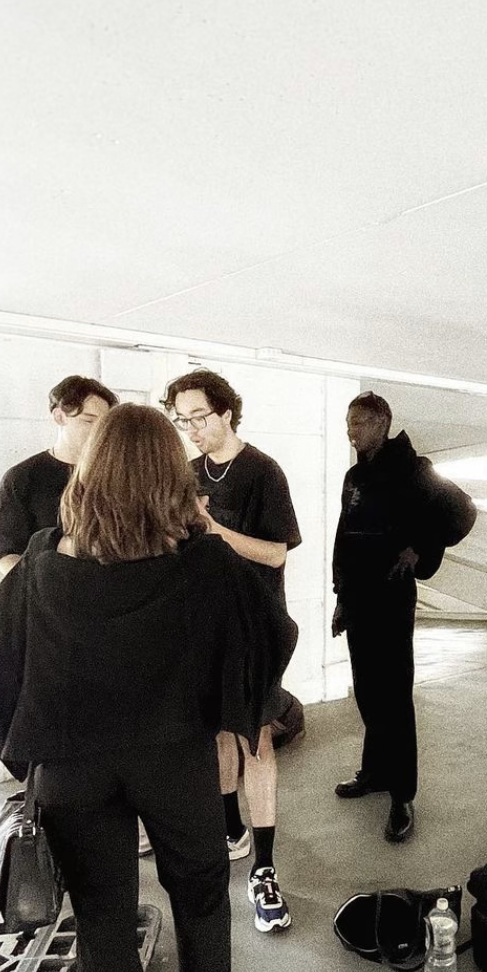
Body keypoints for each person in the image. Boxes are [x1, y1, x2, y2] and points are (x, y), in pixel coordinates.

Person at [0, 405, 296, 972]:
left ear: (90, 472)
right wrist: (228, 709)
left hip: (72, 770)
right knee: (200, 900)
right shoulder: (203, 562)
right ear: (171, 479)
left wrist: (27, 756)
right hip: (174, 761)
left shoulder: (43, 560)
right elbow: (272, 633)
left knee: (102, 922)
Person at [162, 369, 302, 934]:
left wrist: (212, 527)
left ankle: (264, 868)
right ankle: (230, 830)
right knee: (219, 733)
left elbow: (275, 554)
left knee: (256, 738)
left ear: (226, 412)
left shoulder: (263, 472)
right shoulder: (187, 473)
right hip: (204, 628)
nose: (192, 428)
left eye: (199, 417)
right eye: (182, 420)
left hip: (255, 628)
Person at [332, 392, 476, 843]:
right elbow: (344, 537)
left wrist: (420, 548)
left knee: (394, 696)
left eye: (359, 422)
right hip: (359, 597)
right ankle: (375, 772)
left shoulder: (415, 471)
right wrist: (341, 597)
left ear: (382, 423)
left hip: (392, 597)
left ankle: (402, 795)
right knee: (368, 691)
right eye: (348, 422)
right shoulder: (354, 476)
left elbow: (463, 511)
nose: (351, 431)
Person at [0, 375, 119, 575]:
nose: (97, 432)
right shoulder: (22, 477)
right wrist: (40, 586)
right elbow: (6, 554)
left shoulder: (118, 475)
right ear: (59, 417)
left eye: (103, 425)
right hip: (47, 588)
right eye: (88, 421)